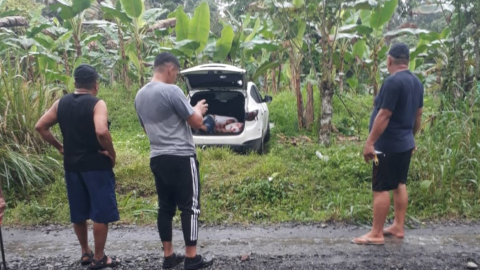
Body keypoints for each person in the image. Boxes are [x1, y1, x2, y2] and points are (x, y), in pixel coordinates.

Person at [35, 64, 120, 269]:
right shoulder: (97, 104)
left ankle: (85, 253)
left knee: (79, 210)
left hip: (72, 166)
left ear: (75, 83)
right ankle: (99, 258)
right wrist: (111, 152)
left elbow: (41, 126)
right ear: (96, 85)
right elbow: (101, 131)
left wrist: (60, 147)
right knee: (100, 211)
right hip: (95, 165)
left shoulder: (60, 103)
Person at [134, 52, 214, 270]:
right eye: (176, 73)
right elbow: (196, 122)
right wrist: (198, 109)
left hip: (157, 157)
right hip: (181, 157)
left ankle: (169, 256)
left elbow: (146, 129)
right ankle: (191, 257)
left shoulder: (139, 96)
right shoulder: (172, 91)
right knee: (190, 207)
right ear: (170, 68)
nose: (176, 77)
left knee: (165, 208)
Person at [353, 43, 424, 245]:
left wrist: (370, 143)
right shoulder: (417, 82)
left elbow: (384, 114)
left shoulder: (392, 82)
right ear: (407, 61)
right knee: (399, 184)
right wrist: (411, 138)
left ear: (390, 60)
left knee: (381, 188)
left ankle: (376, 234)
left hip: (387, 145)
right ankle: (398, 227)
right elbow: (418, 115)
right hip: (404, 144)